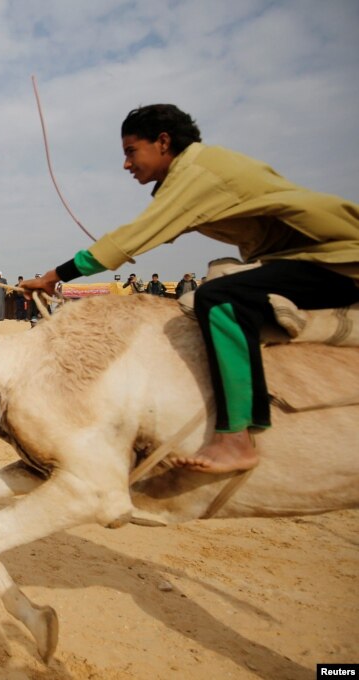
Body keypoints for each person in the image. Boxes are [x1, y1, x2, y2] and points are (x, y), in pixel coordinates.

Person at [22, 103, 359, 474]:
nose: (126, 164)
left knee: (219, 299)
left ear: (163, 142)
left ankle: (236, 439)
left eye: (131, 152)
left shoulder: (197, 173)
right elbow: (144, 235)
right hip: (305, 258)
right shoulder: (191, 177)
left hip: (337, 256)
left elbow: (130, 239)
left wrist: (55, 276)